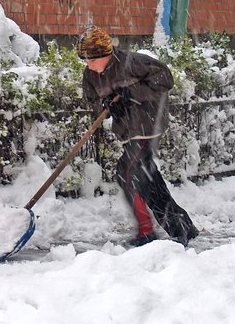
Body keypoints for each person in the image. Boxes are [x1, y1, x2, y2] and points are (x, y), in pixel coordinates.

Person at [77, 25, 198, 247]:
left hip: (147, 125)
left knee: (128, 174)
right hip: (126, 131)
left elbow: (165, 80)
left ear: (106, 54)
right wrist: (108, 105)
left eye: (92, 59)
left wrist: (131, 95)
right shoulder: (90, 76)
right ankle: (181, 225)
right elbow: (92, 100)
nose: (89, 65)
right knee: (146, 179)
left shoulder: (133, 63)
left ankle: (148, 231)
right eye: (86, 60)